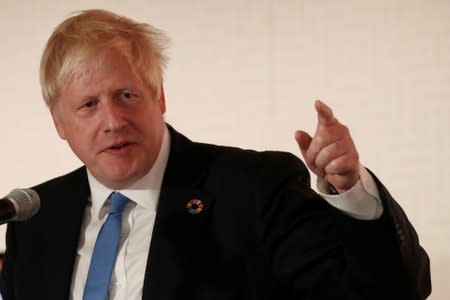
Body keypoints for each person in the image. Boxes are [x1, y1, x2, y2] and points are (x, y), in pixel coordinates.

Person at [0, 9, 430, 300]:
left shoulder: (252, 189)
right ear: (59, 123)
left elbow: (384, 293)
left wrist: (351, 191)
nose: (112, 121)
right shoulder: (35, 218)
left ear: (159, 97)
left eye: (127, 95)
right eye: (88, 105)